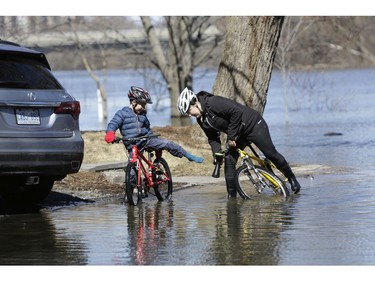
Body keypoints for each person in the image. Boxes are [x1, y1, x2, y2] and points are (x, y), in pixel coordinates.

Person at [177, 87, 301, 197]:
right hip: (237, 134)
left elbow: (237, 112)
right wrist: (217, 154)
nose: (189, 115)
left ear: (194, 103)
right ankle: (232, 197)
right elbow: (212, 137)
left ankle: (292, 179)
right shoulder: (202, 119)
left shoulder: (213, 103)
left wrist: (231, 137)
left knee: (271, 154)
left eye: (188, 111)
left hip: (253, 125)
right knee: (229, 161)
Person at [104, 86, 204, 164]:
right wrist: (110, 133)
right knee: (133, 171)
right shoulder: (122, 114)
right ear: (134, 102)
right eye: (143, 104)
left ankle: (187, 155)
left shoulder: (142, 115)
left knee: (167, 143)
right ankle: (132, 188)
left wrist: (157, 145)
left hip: (146, 140)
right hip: (133, 145)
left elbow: (147, 129)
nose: (144, 107)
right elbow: (113, 124)